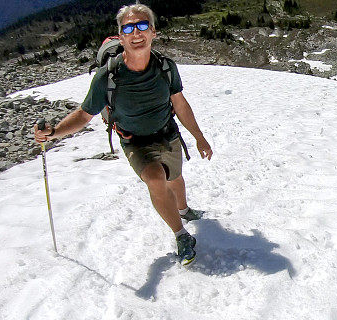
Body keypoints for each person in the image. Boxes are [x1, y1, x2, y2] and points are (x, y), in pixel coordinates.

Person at [34, 3, 212, 265]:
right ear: (120, 35)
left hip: (167, 133)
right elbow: (84, 114)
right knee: (156, 178)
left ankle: (184, 210)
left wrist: (199, 137)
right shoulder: (107, 76)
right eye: (128, 28)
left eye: (142, 26)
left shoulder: (165, 67)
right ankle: (181, 235)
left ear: (153, 32)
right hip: (134, 142)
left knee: (175, 179)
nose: (136, 33)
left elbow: (180, 103)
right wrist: (54, 133)